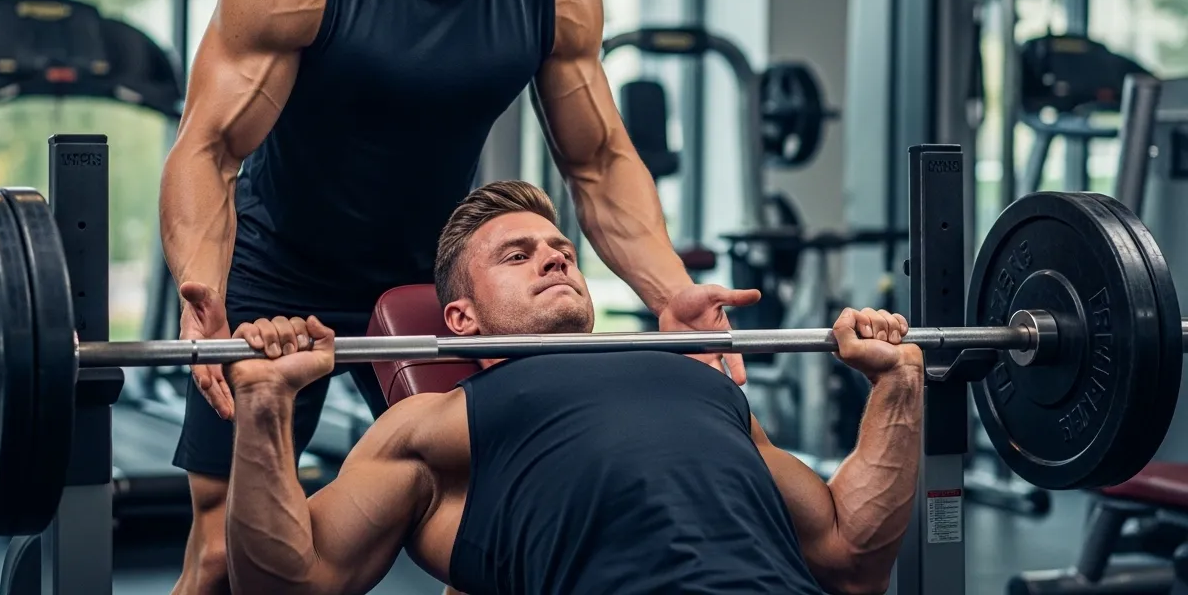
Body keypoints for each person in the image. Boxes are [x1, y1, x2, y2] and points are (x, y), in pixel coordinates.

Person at [160, 0, 763, 595]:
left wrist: (669, 291)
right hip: (279, 273)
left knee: (492, 518)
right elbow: (207, 150)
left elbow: (598, 163)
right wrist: (202, 297)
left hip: (433, 288)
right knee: (225, 556)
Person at [221, 181, 923, 595]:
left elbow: (851, 555)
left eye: (560, 250)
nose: (554, 259)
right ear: (459, 320)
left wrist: (897, 385)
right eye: (517, 255)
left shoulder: (694, 379)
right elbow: (293, 581)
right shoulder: (433, 424)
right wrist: (264, 410)